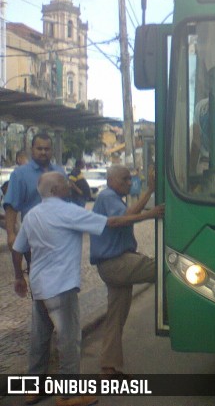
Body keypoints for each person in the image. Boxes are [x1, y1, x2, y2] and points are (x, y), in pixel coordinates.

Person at [12, 172, 106, 406]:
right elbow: (108, 223)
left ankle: (33, 389)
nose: (69, 185)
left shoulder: (32, 215)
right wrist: (146, 215)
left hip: (40, 286)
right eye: (65, 183)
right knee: (69, 339)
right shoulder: (67, 211)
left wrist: (18, 278)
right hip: (61, 287)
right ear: (55, 190)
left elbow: (17, 248)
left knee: (40, 338)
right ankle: (69, 395)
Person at [90, 165, 164, 377]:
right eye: (125, 179)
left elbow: (130, 213)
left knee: (116, 318)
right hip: (117, 262)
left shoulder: (113, 198)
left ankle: (108, 367)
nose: (129, 183)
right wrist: (151, 213)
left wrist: (149, 192)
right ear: (111, 180)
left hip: (113, 264)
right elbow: (119, 220)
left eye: (130, 179)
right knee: (167, 269)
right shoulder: (106, 196)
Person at [4, 133, 66, 267]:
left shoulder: (60, 173)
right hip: (34, 237)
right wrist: (10, 234)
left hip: (59, 235)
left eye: (47, 149)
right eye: (39, 149)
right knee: (39, 276)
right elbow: (11, 206)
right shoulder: (20, 174)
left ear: (52, 151)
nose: (43, 152)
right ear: (32, 149)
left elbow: (67, 202)